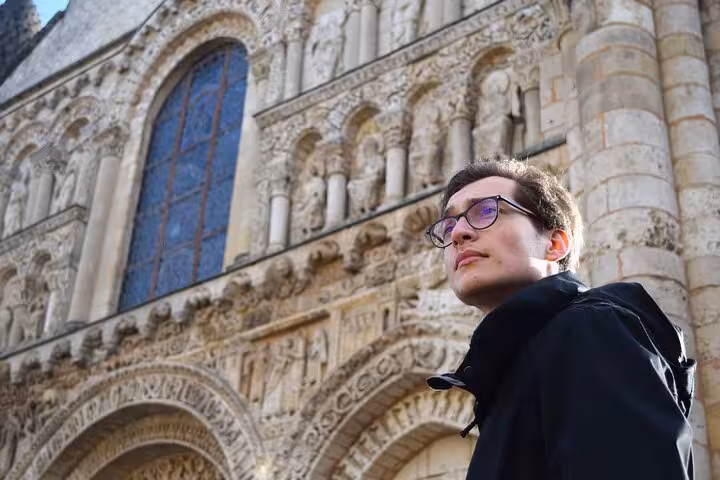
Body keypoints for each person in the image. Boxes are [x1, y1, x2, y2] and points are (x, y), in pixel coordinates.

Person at [425, 158, 695, 480]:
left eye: (485, 211)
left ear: (554, 245)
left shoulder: (589, 330)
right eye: (449, 226)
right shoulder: (516, 372)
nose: (459, 234)